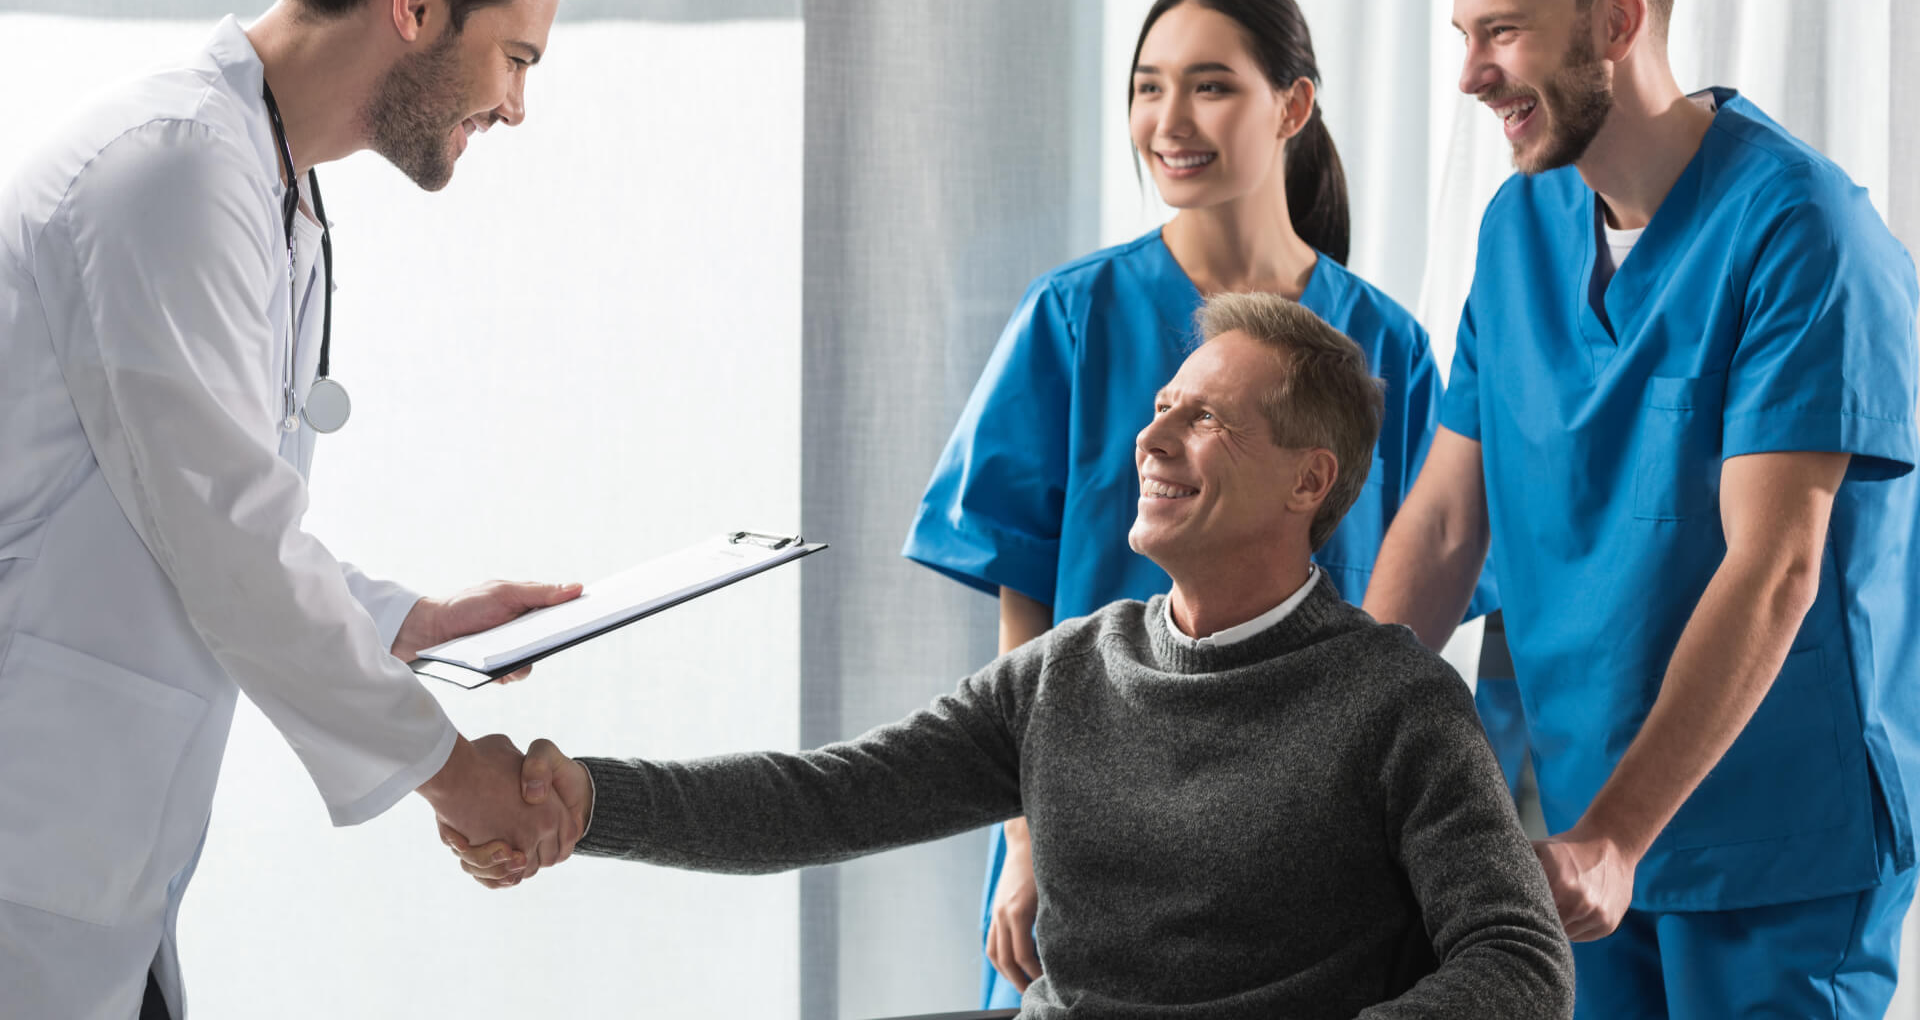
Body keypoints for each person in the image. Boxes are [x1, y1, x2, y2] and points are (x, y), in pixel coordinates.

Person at [446, 294, 1575, 1018]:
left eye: (1206, 421)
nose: (1153, 437)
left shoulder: (1391, 702)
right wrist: (586, 803)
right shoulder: (1071, 673)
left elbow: (1519, 965)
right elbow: (821, 801)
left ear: (1309, 482)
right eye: (1161, 408)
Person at [0, 0, 612, 1017]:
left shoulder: (269, 188)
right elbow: (227, 543)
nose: (517, 107)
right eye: (516, 59)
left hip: (91, 874)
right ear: (417, 1)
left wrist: (410, 620)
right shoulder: (175, 171)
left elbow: (200, 509)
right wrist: (449, 769)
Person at [899, 0, 1496, 1006]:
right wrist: (1031, 840)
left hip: (1305, 851)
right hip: (1092, 830)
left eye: (1210, 85)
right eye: (1147, 86)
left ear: (1293, 106)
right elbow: (1026, 614)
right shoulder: (1072, 320)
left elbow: (1420, 607)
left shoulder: (1385, 347)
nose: (1168, 120)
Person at [1361, 0, 1920, 1015]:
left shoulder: (1801, 230)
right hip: (1579, 835)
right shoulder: (1519, 228)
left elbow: (1776, 565)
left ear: (1617, 23)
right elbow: (1441, 528)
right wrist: (1323, 735)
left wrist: (1620, 836)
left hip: (1776, 847)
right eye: (1463, 37)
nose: (1471, 74)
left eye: (1503, 34)